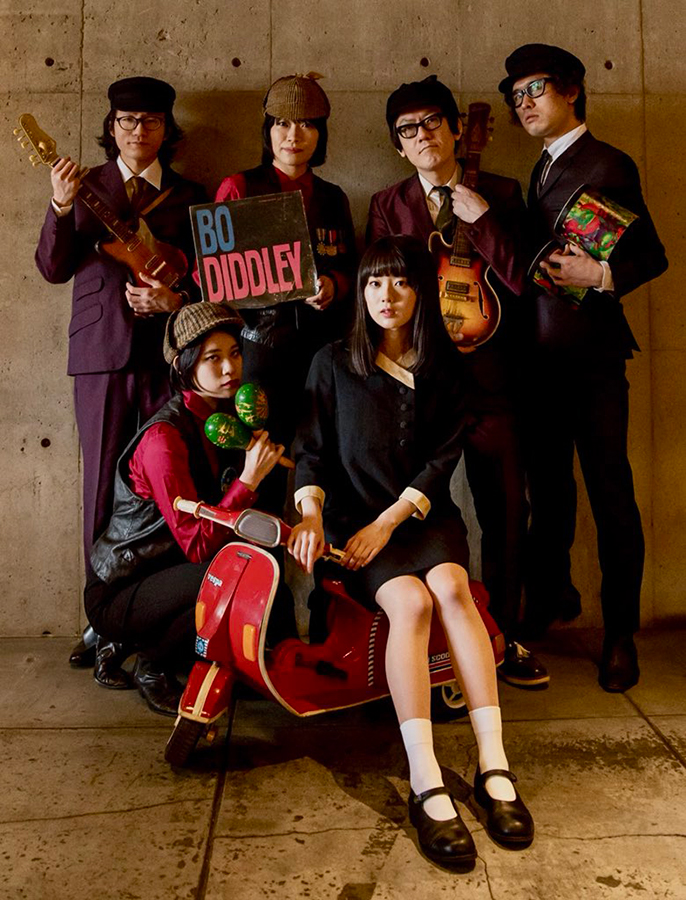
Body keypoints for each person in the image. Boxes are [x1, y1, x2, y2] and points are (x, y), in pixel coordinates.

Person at [288, 236, 534, 869]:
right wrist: (311, 514)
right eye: (374, 283)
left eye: (399, 282)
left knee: (453, 589)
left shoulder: (443, 365)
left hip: (421, 517)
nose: (386, 295)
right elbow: (309, 450)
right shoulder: (330, 362)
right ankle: (426, 780)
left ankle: (493, 764)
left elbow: (441, 461)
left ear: (421, 290)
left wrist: (390, 522)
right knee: (412, 602)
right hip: (353, 522)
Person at [367, 75, 548, 689]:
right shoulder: (387, 204)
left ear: (453, 129)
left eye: (432, 122)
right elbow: (379, 295)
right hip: (419, 388)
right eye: (408, 129)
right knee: (415, 511)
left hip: (492, 384)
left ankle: (506, 635)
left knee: (506, 509)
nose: (423, 136)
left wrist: (485, 220)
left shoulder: (501, 191)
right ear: (398, 145)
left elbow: (524, 281)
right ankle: (419, 640)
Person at [496, 44, 668, 691]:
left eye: (535, 89)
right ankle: (550, 597)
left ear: (571, 89)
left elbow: (652, 255)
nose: (524, 103)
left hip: (593, 359)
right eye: (516, 96)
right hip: (539, 359)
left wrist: (601, 275)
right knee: (549, 491)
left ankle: (620, 633)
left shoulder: (608, 163)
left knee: (609, 490)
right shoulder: (541, 166)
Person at [35, 76, 207, 687]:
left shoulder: (192, 196)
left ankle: (150, 617)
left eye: (151, 121)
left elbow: (212, 276)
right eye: (127, 121)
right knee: (101, 493)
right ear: (111, 127)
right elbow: (52, 267)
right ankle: (100, 621)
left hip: (167, 358)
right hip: (100, 356)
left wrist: (174, 299)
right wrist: (60, 207)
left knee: (164, 491)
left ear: (167, 129)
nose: (138, 131)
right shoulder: (84, 186)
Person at [85, 302, 285, 716]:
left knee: (254, 559)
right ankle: (151, 665)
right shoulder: (164, 439)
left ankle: (195, 653)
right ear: (183, 364)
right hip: (123, 587)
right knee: (227, 574)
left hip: (166, 574)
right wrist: (248, 481)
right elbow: (197, 545)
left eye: (235, 353)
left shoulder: (224, 421)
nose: (229, 368)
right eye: (213, 358)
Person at [209, 72, 355, 456]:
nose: (294, 135)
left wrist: (333, 285)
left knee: (321, 458)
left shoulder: (333, 197)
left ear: (320, 134)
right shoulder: (239, 187)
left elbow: (352, 268)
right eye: (283, 124)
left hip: (322, 348)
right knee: (262, 459)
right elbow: (211, 274)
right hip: (258, 346)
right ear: (268, 130)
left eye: (307, 124)